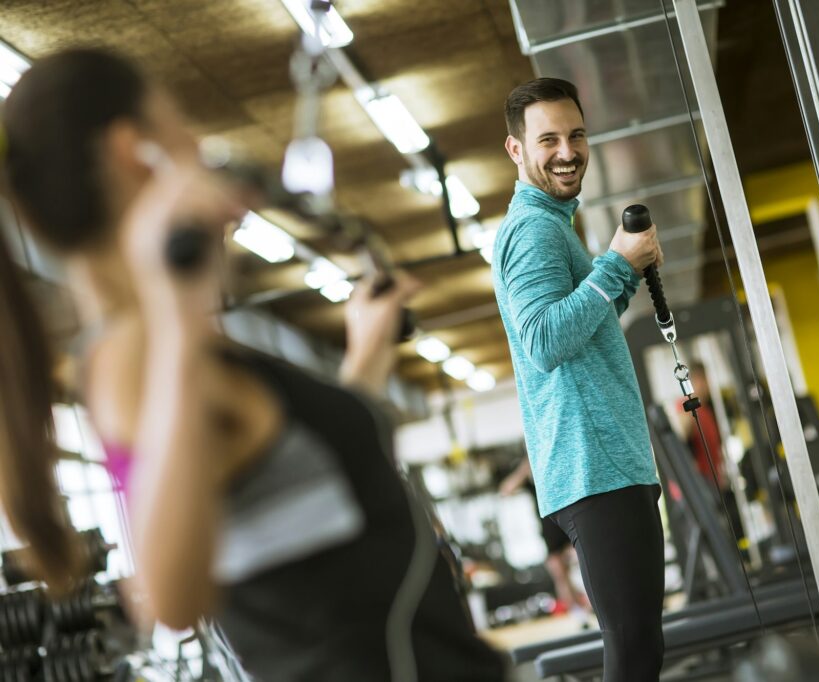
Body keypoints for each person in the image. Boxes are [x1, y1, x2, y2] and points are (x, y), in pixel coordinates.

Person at [0, 48, 505, 681]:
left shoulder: (151, 347)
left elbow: (290, 477)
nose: (196, 143)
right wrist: (178, 311)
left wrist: (364, 357)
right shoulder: (135, 351)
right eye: (177, 121)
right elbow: (166, 592)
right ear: (137, 150)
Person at [492, 77, 666, 681]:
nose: (567, 151)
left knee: (640, 639)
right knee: (635, 643)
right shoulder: (533, 230)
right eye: (548, 139)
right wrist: (616, 263)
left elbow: (579, 328)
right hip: (594, 465)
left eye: (576, 135)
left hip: (608, 461)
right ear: (516, 150)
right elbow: (544, 341)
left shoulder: (556, 224)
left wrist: (622, 273)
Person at [498, 457, 591, 622]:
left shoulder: (557, 471)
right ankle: (577, 610)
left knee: (586, 563)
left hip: (569, 521)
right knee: (560, 573)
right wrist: (524, 469)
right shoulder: (533, 484)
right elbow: (506, 490)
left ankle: (592, 602)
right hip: (549, 529)